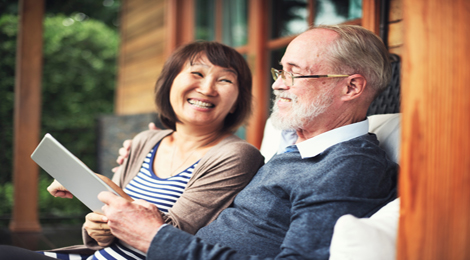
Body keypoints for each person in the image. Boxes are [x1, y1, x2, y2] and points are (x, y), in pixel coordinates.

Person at [0, 24, 398, 260]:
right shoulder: (294, 148)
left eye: (296, 74)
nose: (278, 84)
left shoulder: (348, 166)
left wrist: (154, 238)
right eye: (281, 70)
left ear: (351, 87)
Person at [39, 41, 265, 259]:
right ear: (169, 84)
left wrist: (95, 181)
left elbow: (173, 236)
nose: (207, 89)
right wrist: (98, 227)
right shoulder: (145, 140)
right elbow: (107, 226)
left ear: (236, 101)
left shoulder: (237, 155)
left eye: (225, 80)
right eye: (197, 74)